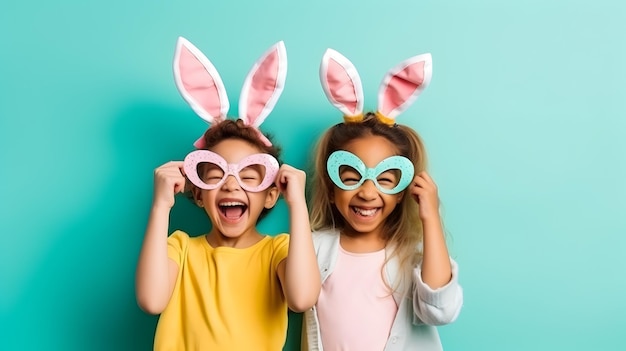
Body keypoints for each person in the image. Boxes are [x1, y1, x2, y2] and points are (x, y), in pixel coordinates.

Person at [136, 37, 320, 351]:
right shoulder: (180, 248)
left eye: (249, 176)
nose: (232, 185)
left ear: (271, 194)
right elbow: (152, 301)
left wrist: (298, 205)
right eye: (217, 174)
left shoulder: (278, 250)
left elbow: (302, 298)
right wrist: (160, 206)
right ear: (197, 192)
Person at [302, 49, 463, 351]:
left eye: (385, 179)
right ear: (331, 188)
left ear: (402, 191)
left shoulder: (411, 257)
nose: (367, 191)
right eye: (351, 177)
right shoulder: (314, 247)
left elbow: (440, 309)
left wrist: (430, 217)